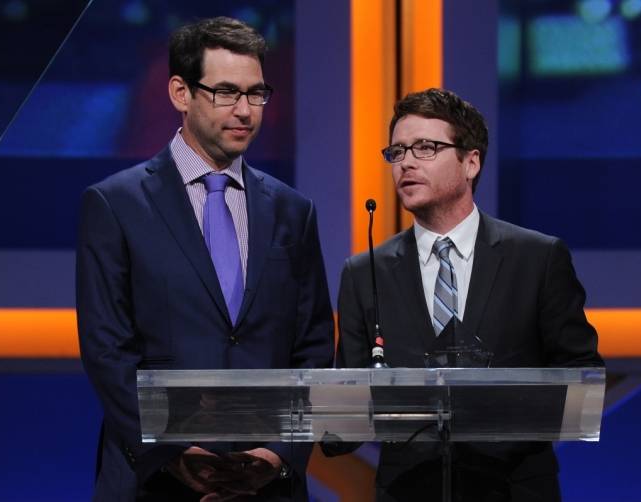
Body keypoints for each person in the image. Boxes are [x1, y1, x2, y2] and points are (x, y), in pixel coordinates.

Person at [76, 17, 334, 502]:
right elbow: (108, 350)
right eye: (226, 93)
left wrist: (280, 454)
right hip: (154, 481)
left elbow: (314, 349)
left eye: (256, 94)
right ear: (180, 92)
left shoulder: (292, 211)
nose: (245, 111)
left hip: (266, 484)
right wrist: (174, 452)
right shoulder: (115, 205)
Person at [334, 88, 603, 501]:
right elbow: (343, 417)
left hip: (512, 490)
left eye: (425, 147)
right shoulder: (362, 272)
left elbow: (582, 383)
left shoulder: (537, 258)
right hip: (408, 492)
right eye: (398, 151)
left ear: (471, 161)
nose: (406, 162)